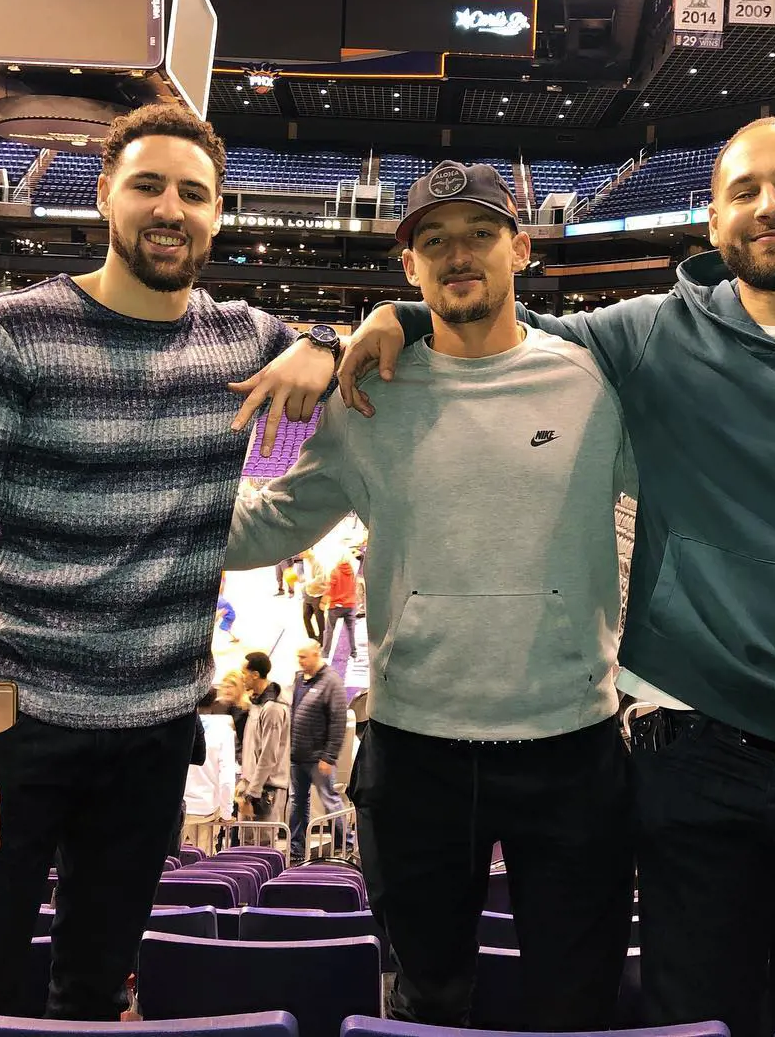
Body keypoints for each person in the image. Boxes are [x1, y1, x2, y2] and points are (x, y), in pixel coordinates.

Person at [322, 125, 775, 1036]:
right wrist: (381, 321)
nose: (770, 205)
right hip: (695, 760)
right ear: (715, 219)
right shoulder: (653, 338)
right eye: (746, 191)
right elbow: (501, 323)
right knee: (689, 1020)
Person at [0, 101, 327, 1020]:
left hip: (151, 737)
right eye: (147, 184)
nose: (170, 208)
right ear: (105, 193)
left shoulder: (241, 338)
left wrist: (327, 339)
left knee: (97, 987)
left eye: (194, 193)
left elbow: (352, 342)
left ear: (218, 214)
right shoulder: (11, 331)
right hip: (10, 731)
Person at [224, 161, 636, 1030]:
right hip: (416, 755)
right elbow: (268, 525)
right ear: (408, 266)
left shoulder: (594, 381)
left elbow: (692, 494)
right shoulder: (366, 395)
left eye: (480, 235)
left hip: (572, 748)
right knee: (426, 1001)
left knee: (578, 1000)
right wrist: (134, 489)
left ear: (519, 249)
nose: (459, 256)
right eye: (434, 241)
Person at [287, 641, 348, 863]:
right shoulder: (299, 679)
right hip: (298, 757)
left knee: (330, 801)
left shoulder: (332, 682)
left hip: (318, 759)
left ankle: (344, 846)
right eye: (298, 657)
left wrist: (329, 756)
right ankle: (296, 849)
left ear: (316, 655)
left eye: (304, 657)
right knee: (298, 803)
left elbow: (338, 722)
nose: (300, 661)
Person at [238, 652, 291, 830]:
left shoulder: (273, 709)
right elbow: (251, 747)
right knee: (246, 847)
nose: (242, 678)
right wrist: (245, 780)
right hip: (253, 786)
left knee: (263, 848)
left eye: (244, 673)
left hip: (266, 789)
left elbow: (268, 755)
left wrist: (252, 793)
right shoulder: (256, 704)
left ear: (255, 675)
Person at [182, 688, 236, 854]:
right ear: (214, 702)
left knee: (169, 861)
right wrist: (227, 812)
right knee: (202, 861)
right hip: (206, 809)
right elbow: (226, 777)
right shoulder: (223, 731)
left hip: (178, 806)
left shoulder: (180, 728)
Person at [321, 549, 358, 659]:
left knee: (329, 630)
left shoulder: (335, 571)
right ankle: (354, 652)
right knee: (351, 630)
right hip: (350, 604)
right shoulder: (351, 570)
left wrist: (324, 602)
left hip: (335, 606)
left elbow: (330, 588)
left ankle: (325, 653)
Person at [214, 668, 251, 761]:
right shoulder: (217, 707)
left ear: (239, 688)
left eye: (230, 686)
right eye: (225, 686)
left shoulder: (247, 710)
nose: (227, 690)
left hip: (241, 760)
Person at [300, 548, 327, 644]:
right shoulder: (305, 560)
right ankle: (311, 638)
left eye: (301, 552)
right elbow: (307, 576)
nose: (299, 554)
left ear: (307, 550)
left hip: (318, 594)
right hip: (308, 593)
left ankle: (323, 640)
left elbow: (320, 578)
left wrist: (308, 583)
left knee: (320, 619)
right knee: (306, 617)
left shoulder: (317, 561)